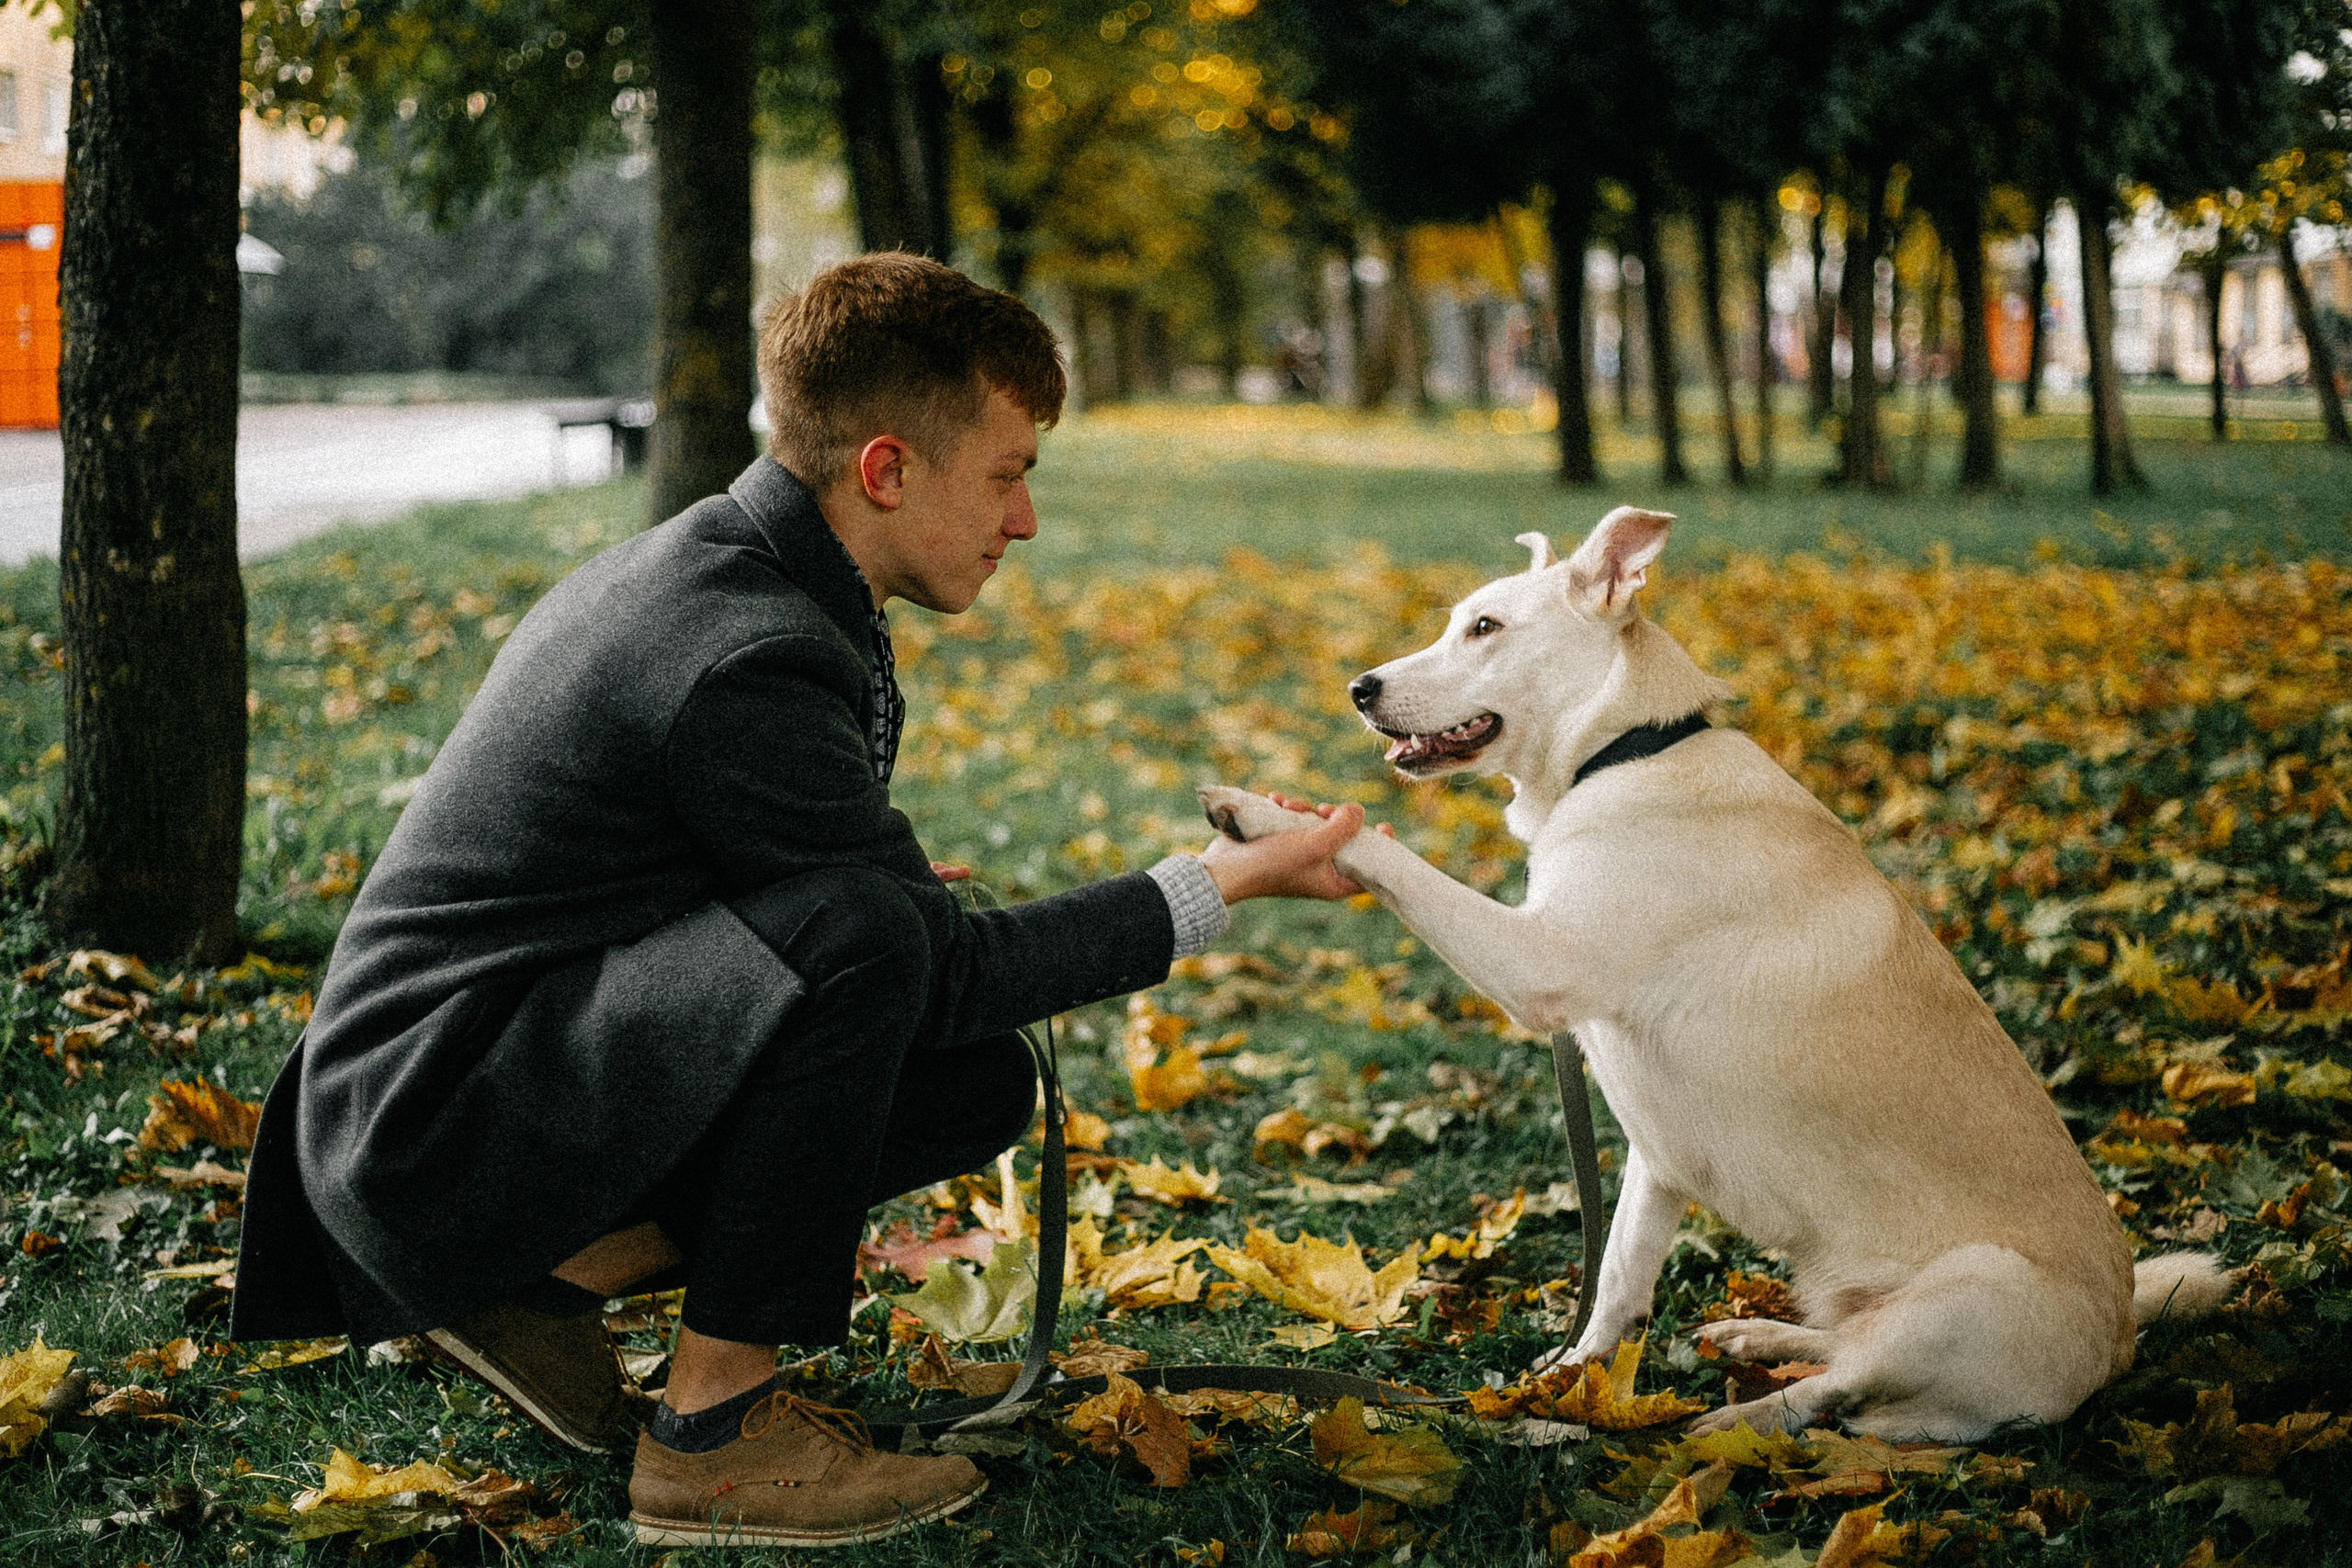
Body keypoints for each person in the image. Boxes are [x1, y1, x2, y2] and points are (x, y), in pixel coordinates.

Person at [229, 254, 1364, 1549]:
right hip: (422, 1136)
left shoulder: (749, 573)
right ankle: (715, 1438)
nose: (1026, 520)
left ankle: (540, 1288)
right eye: (1008, 474)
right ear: (886, 471)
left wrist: (857, 899)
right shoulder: (747, 649)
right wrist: (1219, 883)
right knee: (866, 938)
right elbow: (913, 959)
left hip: (460, 1090)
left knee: (970, 1080)